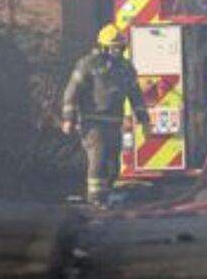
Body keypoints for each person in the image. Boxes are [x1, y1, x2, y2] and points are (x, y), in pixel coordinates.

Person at [61, 24, 150, 207]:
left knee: (113, 165)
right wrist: (68, 118)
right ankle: (95, 200)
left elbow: (136, 95)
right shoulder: (88, 64)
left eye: (120, 47)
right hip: (93, 123)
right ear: (103, 47)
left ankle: (105, 196)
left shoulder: (125, 68)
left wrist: (144, 120)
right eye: (114, 47)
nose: (117, 50)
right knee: (98, 161)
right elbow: (72, 91)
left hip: (114, 124)